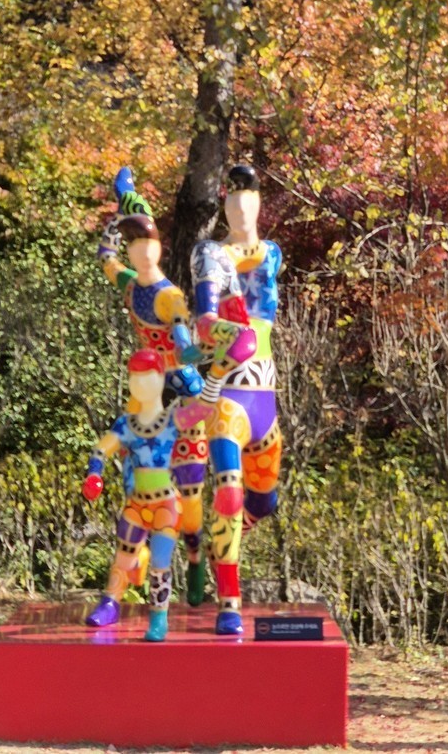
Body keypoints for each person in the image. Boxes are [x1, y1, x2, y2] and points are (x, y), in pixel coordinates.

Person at [97, 171, 209, 605]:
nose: (139, 251)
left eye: (146, 242)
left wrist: (191, 346)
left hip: (179, 383)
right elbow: (106, 259)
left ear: (159, 247)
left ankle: (195, 556)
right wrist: (117, 213)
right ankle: (131, 565)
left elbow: (184, 339)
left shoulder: (169, 296)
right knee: (133, 469)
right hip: (147, 382)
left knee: (191, 482)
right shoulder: (128, 284)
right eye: (133, 243)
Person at [190, 164, 283, 635]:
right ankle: (229, 600)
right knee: (229, 492)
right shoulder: (210, 254)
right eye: (233, 201)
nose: (242, 210)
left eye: (250, 201)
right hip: (229, 398)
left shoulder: (271, 253)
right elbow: (204, 321)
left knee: (264, 502)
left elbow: (255, 263)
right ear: (224, 206)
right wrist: (218, 324)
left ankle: (215, 544)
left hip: (265, 398)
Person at [82, 349, 219, 640]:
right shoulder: (126, 425)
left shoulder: (172, 420)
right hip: (136, 504)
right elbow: (100, 449)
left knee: (160, 562)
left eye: (147, 377)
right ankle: (110, 604)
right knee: (123, 555)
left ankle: (159, 619)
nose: (140, 384)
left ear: (160, 379)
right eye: (135, 378)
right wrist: (95, 473)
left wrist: (216, 372)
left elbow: (205, 408)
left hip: (166, 505)